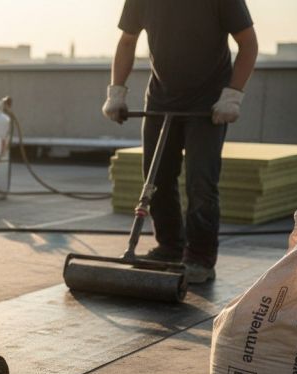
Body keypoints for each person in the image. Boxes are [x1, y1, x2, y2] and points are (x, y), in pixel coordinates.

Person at [103, 0, 258, 283]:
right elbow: (127, 42)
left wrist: (232, 95)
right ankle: (170, 248)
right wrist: (116, 93)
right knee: (156, 178)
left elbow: (248, 44)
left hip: (208, 105)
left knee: (201, 181)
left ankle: (200, 258)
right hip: (161, 99)